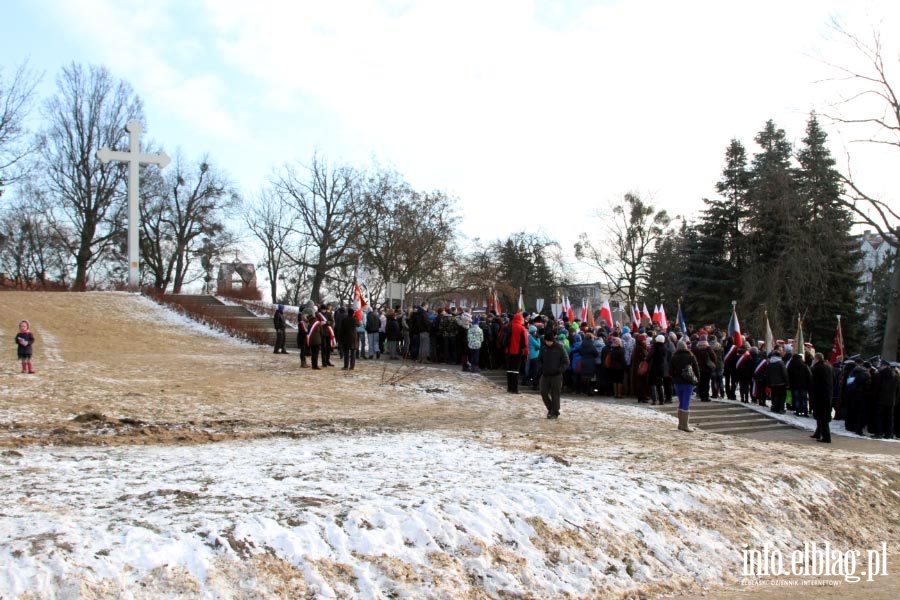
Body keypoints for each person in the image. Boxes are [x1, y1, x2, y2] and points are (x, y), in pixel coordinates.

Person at [538, 332, 570, 419]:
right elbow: (539, 360)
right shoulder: (544, 348)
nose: (548, 343)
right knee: (543, 392)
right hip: (545, 374)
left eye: (549, 341)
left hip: (556, 375)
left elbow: (566, 361)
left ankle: (555, 411)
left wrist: (559, 370)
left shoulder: (560, 348)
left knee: (555, 394)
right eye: (546, 341)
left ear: (553, 340)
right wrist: (541, 368)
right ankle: (550, 408)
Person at [670, 340, 700, 432]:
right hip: (688, 382)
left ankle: (680, 424)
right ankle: (685, 425)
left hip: (677, 382)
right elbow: (696, 368)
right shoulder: (690, 355)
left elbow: (670, 370)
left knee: (681, 402)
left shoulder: (674, 356)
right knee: (686, 403)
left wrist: (675, 378)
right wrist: (697, 379)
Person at [810, 353, 834, 443]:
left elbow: (814, 383)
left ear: (816, 359)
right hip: (828, 395)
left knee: (822, 417)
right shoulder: (828, 367)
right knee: (822, 416)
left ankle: (826, 437)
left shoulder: (817, 368)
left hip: (820, 396)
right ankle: (818, 433)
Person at [502, 312, 529, 394]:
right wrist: (525, 352)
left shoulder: (507, 326)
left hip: (508, 351)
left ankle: (509, 387)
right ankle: (515, 388)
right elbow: (525, 342)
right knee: (516, 370)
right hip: (517, 352)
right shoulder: (522, 328)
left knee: (509, 369)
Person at [766, 345, 789, 414]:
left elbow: (768, 374)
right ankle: (781, 408)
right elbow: (784, 373)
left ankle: (775, 407)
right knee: (782, 396)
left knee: (775, 396)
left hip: (773, 383)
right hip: (781, 383)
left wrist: (769, 383)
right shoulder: (781, 363)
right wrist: (787, 382)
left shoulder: (769, 363)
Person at [339, 305, 360, 370]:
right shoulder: (355, 320)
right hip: (353, 338)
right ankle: (352, 366)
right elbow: (359, 324)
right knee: (353, 353)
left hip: (346, 338)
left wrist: (340, 338)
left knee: (346, 353)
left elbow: (341, 329)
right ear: (353, 313)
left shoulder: (344, 320)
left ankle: (346, 366)